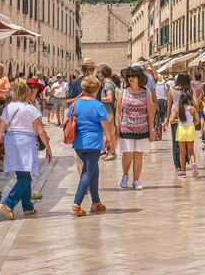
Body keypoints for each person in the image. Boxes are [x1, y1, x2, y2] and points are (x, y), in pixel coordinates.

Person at [0, 81, 53, 220]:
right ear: (26, 92)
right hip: (25, 142)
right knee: (26, 175)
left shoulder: (8, 108)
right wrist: (49, 148)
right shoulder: (31, 109)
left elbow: (0, 130)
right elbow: (41, 131)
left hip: (10, 141)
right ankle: (8, 203)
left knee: (23, 174)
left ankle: (27, 207)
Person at [64, 76, 111, 216]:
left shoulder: (75, 104)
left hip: (78, 143)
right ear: (97, 89)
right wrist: (109, 140)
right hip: (93, 143)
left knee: (93, 171)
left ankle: (96, 202)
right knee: (87, 173)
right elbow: (105, 125)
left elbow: (65, 121)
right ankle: (76, 204)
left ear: (83, 89)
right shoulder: (98, 105)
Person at [116, 64, 156, 190]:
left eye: (133, 76)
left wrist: (151, 130)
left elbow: (150, 113)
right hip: (126, 128)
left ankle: (136, 180)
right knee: (127, 154)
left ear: (139, 78)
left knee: (138, 155)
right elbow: (118, 112)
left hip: (142, 129)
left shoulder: (145, 94)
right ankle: (125, 175)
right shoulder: (122, 93)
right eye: (129, 76)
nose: (130, 78)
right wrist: (117, 129)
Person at [170, 91, 199, 178]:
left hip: (181, 129)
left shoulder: (178, 109)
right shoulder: (192, 109)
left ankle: (183, 172)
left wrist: (177, 121)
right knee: (191, 151)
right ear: (188, 100)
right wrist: (192, 124)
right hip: (190, 128)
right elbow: (197, 120)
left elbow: (171, 121)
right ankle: (193, 163)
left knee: (182, 152)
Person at [169, 73, 192, 170]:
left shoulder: (172, 89)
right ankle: (185, 159)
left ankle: (178, 163)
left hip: (175, 116)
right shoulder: (189, 90)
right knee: (186, 140)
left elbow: (169, 105)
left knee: (175, 141)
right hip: (187, 117)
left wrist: (167, 119)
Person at [98, 66, 119, 160]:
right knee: (111, 132)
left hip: (106, 112)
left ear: (102, 74)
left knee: (104, 132)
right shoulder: (112, 84)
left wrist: (98, 99)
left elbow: (109, 98)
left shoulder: (107, 85)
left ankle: (103, 152)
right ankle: (112, 152)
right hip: (110, 111)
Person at [153, 75, 170, 140]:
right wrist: (168, 100)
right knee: (163, 113)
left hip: (156, 100)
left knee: (158, 114)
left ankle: (157, 126)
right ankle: (163, 126)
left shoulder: (155, 85)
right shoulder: (164, 85)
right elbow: (167, 93)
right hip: (163, 100)